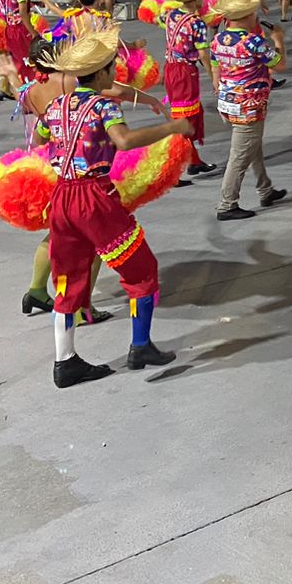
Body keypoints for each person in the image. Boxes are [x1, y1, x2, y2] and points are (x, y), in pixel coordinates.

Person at [38, 27, 191, 387]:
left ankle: (65, 362)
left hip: (61, 197)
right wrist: (172, 127)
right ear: (104, 72)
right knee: (141, 270)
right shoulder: (104, 105)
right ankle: (140, 346)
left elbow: (45, 137)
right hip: (94, 198)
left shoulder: (57, 104)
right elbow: (123, 140)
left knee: (67, 280)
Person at [209, 0, 287, 220]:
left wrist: (219, 84)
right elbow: (279, 65)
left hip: (228, 103)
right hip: (249, 106)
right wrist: (279, 40)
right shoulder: (254, 42)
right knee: (239, 156)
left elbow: (215, 67)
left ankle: (265, 189)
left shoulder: (218, 39)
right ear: (248, 15)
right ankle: (227, 204)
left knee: (253, 149)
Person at [161, 0, 219, 178]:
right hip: (185, 72)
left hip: (171, 68)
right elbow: (204, 55)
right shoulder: (197, 23)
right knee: (186, 118)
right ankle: (179, 163)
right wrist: (214, 78)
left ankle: (192, 159)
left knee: (187, 115)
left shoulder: (170, 15)